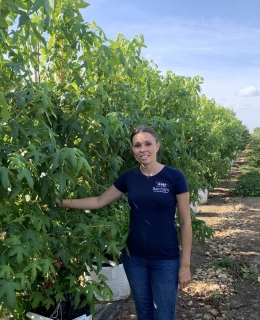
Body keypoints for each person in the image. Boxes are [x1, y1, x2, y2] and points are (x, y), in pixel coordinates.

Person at [56, 125, 192, 320]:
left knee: (163, 315)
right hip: (134, 258)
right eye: (137, 145)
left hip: (166, 260)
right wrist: (62, 202)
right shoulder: (130, 177)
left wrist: (185, 264)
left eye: (147, 144)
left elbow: (186, 222)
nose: (142, 149)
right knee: (144, 312)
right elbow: (99, 201)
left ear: (157, 146)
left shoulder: (174, 177)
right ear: (132, 149)